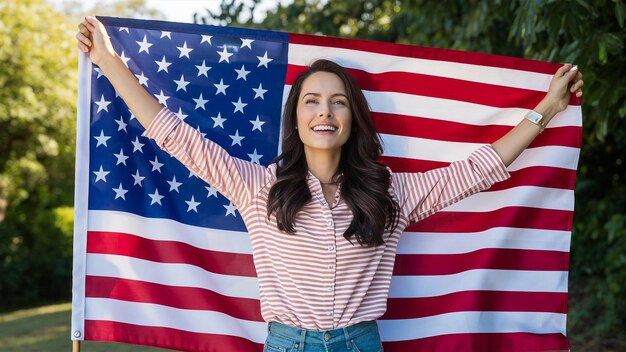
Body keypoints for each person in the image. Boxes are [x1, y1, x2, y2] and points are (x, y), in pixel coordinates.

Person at [76, 15, 583, 352]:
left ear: (352, 117)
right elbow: (174, 136)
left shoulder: (391, 193)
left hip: (360, 343)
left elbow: (478, 170)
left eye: (337, 101)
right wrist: (108, 62)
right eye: (311, 101)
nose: (324, 111)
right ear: (295, 118)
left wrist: (547, 109)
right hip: (284, 344)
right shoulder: (258, 187)